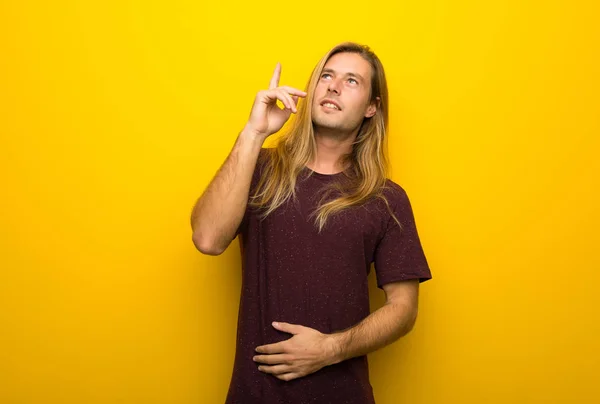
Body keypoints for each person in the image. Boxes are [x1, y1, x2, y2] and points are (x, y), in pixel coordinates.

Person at [190, 41, 433, 404]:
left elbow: (404, 309)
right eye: (327, 76)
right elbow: (208, 238)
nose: (333, 86)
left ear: (371, 107)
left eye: (352, 81)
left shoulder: (387, 199)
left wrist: (330, 349)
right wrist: (254, 133)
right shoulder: (259, 168)